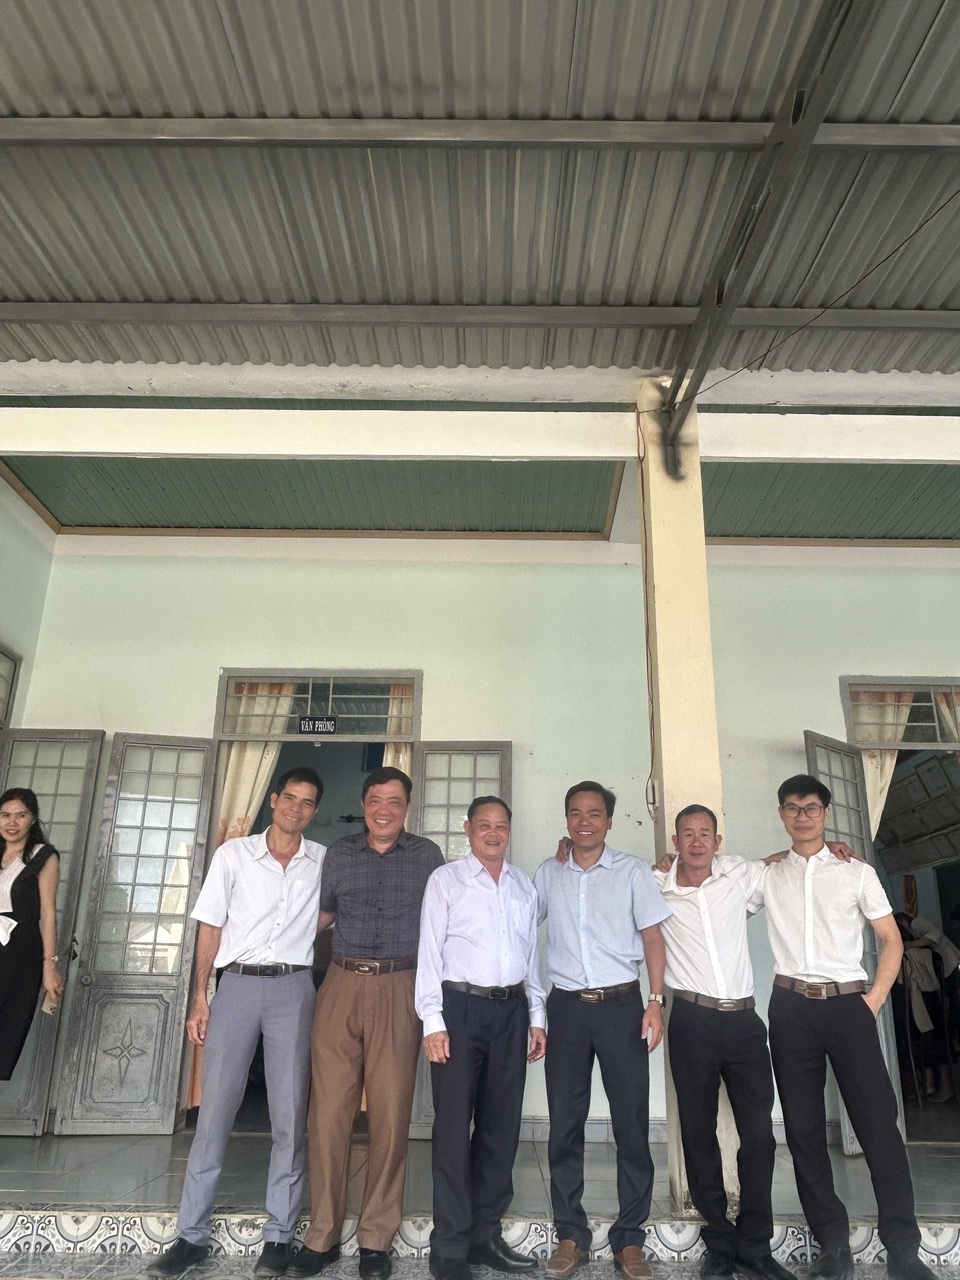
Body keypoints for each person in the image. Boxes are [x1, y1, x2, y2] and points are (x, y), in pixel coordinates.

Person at [148, 767, 325, 1278]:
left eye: (306, 802)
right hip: (238, 985)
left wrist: (307, 931)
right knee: (215, 1113)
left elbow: (334, 912)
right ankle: (191, 1236)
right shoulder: (233, 855)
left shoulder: (323, 861)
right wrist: (201, 997)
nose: (295, 808)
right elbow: (211, 925)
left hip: (294, 988)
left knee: (290, 1115)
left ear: (314, 811)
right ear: (273, 800)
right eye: (289, 798)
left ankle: (279, 1236)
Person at [762, 774, 935, 1280]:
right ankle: (833, 1247)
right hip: (790, 1007)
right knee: (803, 1130)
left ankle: (903, 1250)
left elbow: (891, 939)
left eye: (811, 808)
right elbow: (712, 883)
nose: (802, 816)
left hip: (848, 1007)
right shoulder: (766, 874)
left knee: (879, 1125)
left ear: (826, 812)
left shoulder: (856, 872)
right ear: (781, 813)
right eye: (792, 808)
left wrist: (873, 1001)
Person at [291, 767, 444, 1280]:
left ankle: (376, 1237)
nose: (384, 810)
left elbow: (450, 917)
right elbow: (317, 918)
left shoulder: (427, 857)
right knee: (327, 1115)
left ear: (407, 808)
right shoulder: (338, 855)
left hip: (401, 985)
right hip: (340, 982)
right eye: (376, 800)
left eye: (394, 801)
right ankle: (323, 1233)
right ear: (363, 804)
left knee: (391, 1114)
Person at [534, 781, 669, 1280]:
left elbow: (653, 938)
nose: (585, 821)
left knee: (631, 1124)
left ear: (609, 821)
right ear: (567, 821)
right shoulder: (548, 873)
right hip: (567, 1009)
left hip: (622, 1007)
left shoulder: (632, 872)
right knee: (565, 1125)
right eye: (576, 813)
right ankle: (571, 1234)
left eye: (594, 813)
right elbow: (519, 923)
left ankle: (629, 1239)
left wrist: (654, 1002)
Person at [656, 805, 792, 1280]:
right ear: (676, 841)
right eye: (687, 833)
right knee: (698, 1133)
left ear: (717, 841)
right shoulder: (657, 884)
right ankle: (717, 1238)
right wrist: (567, 846)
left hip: (744, 1023)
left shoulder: (738, 874)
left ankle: (754, 1245)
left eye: (705, 833)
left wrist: (827, 849)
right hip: (691, 1020)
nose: (696, 841)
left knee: (759, 1136)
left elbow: (781, 863)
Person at [416, 796, 546, 1280]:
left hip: (511, 1011)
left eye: (501, 825)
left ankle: (484, 1236)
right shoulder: (445, 881)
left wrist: (537, 1015)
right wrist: (432, 1021)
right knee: (453, 1128)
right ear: (468, 828)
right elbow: (429, 953)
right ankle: (449, 1247)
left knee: (500, 1127)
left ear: (510, 830)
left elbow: (530, 956)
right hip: (459, 1010)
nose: (493, 833)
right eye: (484, 825)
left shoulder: (523, 886)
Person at [0, 787, 64, 1080]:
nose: (12, 822)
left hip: (19, 955)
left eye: (21, 815)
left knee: (5, 1028)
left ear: (33, 819)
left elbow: (48, 912)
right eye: (5, 815)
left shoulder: (43, 856)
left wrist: (49, 965)